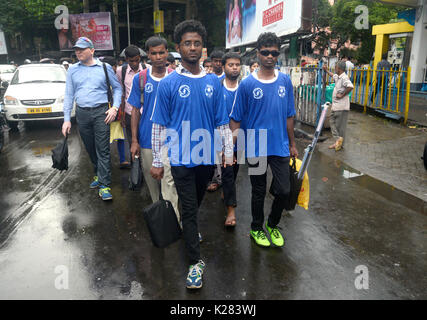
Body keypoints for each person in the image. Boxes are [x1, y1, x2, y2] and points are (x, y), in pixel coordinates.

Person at [150, 20, 233, 289]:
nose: (193, 47)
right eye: (187, 43)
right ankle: (195, 264)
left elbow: (222, 122)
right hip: (181, 159)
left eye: (197, 43)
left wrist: (228, 152)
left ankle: (190, 226)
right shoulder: (168, 83)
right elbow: (159, 125)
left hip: (206, 159)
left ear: (203, 48)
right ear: (178, 48)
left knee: (194, 205)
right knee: (188, 207)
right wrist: (157, 160)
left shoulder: (213, 82)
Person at [229, 32, 298, 248]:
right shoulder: (247, 84)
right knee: (258, 191)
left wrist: (293, 144)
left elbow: (289, 116)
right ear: (258, 54)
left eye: (274, 53)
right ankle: (256, 228)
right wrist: (236, 147)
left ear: (278, 54)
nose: (270, 56)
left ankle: (272, 224)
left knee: (284, 190)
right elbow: (235, 118)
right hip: (255, 147)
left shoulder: (285, 81)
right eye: (265, 52)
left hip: (280, 147)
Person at [62, 37, 122, 200]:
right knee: (89, 146)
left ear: (92, 50)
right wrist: (67, 119)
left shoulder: (105, 67)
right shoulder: (73, 70)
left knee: (102, 148)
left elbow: (117, 89)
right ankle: (98, 172)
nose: (78, 52)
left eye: (82, 49)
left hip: (101, 112)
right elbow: (68, 95)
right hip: (82, 113)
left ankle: (104, 184)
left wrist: (114, 108)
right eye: (76, 49)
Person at [128, 36, 179, 216]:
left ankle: (176, 221)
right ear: (148, 55)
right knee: (153, 183)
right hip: (147, 138)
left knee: (170, 183)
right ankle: (161, 219)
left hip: (173, 139)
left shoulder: (177, 77)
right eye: (154, 53)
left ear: (167, 53)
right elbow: (134, 110)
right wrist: (134, 140)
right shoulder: (140, 79)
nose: (158, 57)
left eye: (161, 52)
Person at [116, 45, 147, 168]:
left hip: (145, 114)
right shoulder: (121, 71)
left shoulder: (147, 69)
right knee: (133, 144)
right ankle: (136, 172)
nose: (134, 63)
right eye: (131, 60)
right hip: (129, 113)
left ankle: (146, 166)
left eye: (137, 60)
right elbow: (122, 93)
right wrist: (122, 115)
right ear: (126, 59)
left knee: (145, 144)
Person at [221, 51, 242, 227]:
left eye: (237, 65)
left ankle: (227, 194)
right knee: (227, 173)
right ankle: (231, 210)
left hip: (240, 138)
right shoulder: (218, 88)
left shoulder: (244, 88)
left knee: (233, 172)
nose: (234, 68)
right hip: (219, 138)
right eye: (230, 65)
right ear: (224, 67)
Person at [323, 60, 354, 151]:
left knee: (340, 127)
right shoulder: (338, 76)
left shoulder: (344, 78)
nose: (335, 68)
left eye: (336, 67)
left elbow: (350, 86)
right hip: (336, 106)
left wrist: (342, 95)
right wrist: (326, 71)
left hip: (342, 107)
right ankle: (338, 141)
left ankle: (339, 143)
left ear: (339, 68)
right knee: (333, 123)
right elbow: (333, 75)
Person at [206, 49, 225, 192]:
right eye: (215, 61)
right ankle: (212, 177)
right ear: (211, 62)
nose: (218, 63)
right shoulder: (207, 78)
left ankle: (219, 180)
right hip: (209, 121)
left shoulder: (228, 77)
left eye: (220, 61)